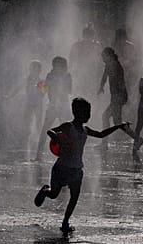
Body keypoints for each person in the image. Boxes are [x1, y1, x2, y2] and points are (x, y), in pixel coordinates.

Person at [34, 97, 130, 233]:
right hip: (61, 167)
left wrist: (118, 126)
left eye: (89, 112)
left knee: (74, 197)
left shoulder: (85, 130)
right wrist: (56, 137)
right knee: (54, 194)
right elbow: (50, 131)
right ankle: (45, 191)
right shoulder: (68, 126)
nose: (89, 115)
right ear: (77, 112)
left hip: (76, 169)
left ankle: (65, 222)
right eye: (86, 112)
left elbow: (101, 134)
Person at [97, 47, 143, 156]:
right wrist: (101, 87)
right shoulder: (110, 65)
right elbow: (105, 76)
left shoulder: (115, 65)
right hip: (117, 97)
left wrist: (118, 98)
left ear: (108, 56)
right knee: (115, 121)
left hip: (118, 97)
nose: (102, 59)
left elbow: (119, 82)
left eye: (103, 56)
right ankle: (137, 139)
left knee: (109, 118)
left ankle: (105, 143)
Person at [35, 56, 72, 160]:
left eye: (58, 65)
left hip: (62, 106)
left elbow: (68, 91)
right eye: (55, 65)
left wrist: (44, 87)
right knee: (45, 130)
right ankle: (38, 156)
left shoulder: (64, 76)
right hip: (54, 105)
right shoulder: (52, 76)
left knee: (66, 131)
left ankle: (68, 154)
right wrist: (40, 86)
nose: (56, 66)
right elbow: (45, 90)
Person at [69, 23, 103, 98]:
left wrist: (100, 73)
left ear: (93, 36)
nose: (88, 38)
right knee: (80, 92)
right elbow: (71, 59)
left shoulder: (97, 46)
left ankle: (92, 106)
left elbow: (101, 60)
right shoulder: (77, 45)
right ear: (83, 36)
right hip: (79, 72)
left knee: (91, 93)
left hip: (93, 72)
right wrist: (70, 71)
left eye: (90, 36)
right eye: (86, 36)